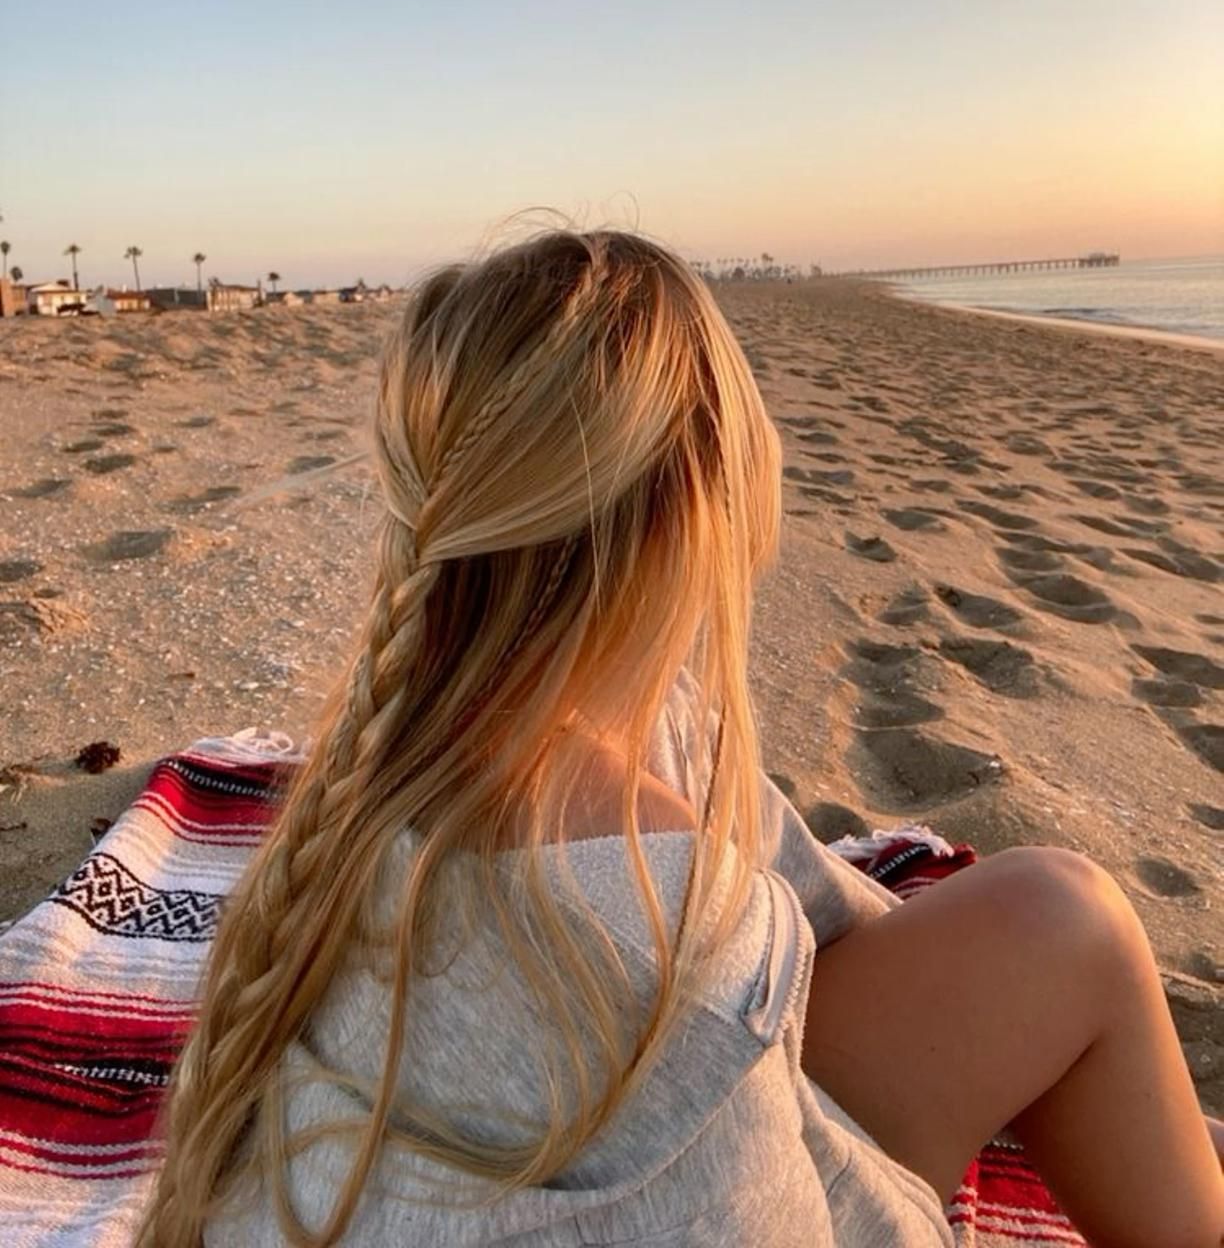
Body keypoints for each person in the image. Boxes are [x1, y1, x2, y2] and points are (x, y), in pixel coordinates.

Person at [137, 226, 1223, 1248]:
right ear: (701, 500)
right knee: (1069, 925)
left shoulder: (392, 757)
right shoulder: (663, 930)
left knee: (1054, 916)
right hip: (715, 1153)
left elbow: (833, 919)